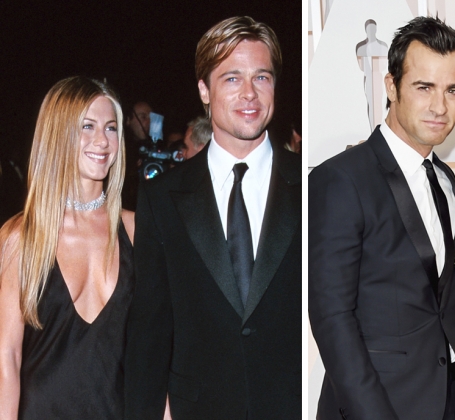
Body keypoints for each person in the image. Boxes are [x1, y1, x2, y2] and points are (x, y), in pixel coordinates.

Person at [124, 16, 301, 419]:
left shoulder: (312, 187)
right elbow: (150, 330)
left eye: (261, 77)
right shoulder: (162, 198)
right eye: (232, 78)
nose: (250, 93)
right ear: (204, 90)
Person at [309, 16, 455, 420]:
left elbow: (444, 296)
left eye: (452, 90)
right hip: (377, 406)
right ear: (391, 86)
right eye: (424, 87)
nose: (440, 107)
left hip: (449, 400)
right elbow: (331, 318)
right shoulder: (341, 178)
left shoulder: (447, 180)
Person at [0, 76, 135, 418]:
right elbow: (6, 358)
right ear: (58, 133)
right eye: (87, 126)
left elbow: (156, 349)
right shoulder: (23, 238)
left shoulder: (138, 231)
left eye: (111, 128)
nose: (102, 141)